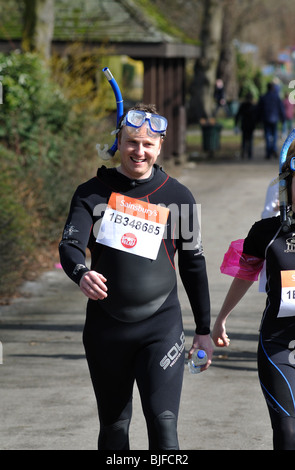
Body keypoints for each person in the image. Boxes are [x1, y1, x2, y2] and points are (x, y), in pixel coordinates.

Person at [59, 103, 213, 450]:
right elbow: (70, 245)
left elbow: (193, 265)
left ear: (159, 146)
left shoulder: (179, 197)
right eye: (131, 142)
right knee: (114, 429)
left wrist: (203, 330)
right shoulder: (92, 192)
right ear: (119, 141)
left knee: (164, 426)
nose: (139, 151)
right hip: (106, 329)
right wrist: (81, 273)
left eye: (147, 144)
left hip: (161, 327)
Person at [212, 143, 295, 450]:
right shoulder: (266, 232)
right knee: (288, 434)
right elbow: (245, 275)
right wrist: (221, 319)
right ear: (287, 186)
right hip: (278, 347)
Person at [256, 82, 285, 159]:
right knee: (274, 134)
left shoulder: (263, 97)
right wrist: (283, 118)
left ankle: (268, 151)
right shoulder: (276, 97)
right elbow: (281, 108)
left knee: (267, 135)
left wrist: (258, 119)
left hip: (266, 119)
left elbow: (259, 109)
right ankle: (274, 149)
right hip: (274, 118)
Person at [235, 92, 256, 159]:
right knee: (250, 139)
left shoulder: (243, 106)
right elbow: (256, 116)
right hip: (251, 125)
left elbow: (238, 115)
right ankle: (249, 153)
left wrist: (236, 124)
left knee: (244, 139)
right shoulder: (253, 106)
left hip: (244, 124)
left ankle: (243, 152)